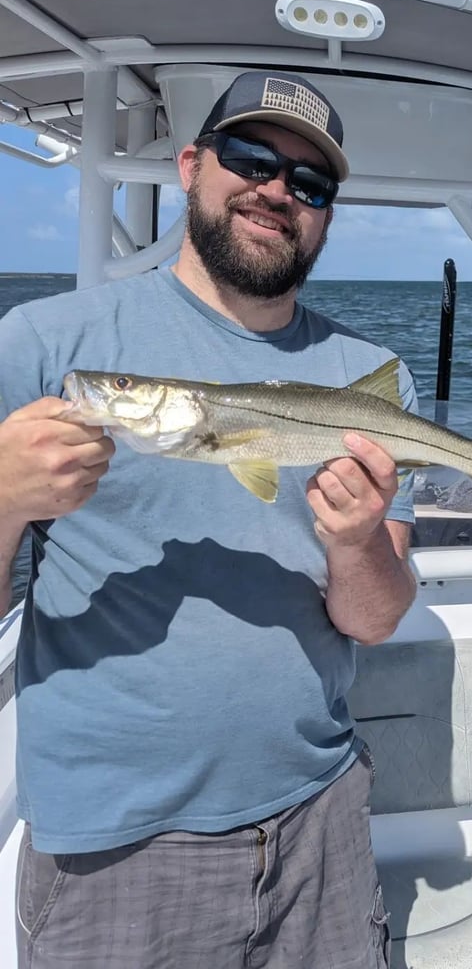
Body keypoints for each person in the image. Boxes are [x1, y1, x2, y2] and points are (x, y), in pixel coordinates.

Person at [0, 70, 416, 968]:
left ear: (328, 214)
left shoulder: (368, 375)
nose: (277, 192)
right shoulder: (44, 345)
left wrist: (354, 543)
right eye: (251, 158)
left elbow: (375, 620)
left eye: (310, 184)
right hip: (116, 846)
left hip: (322, 815)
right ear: (191, 165)